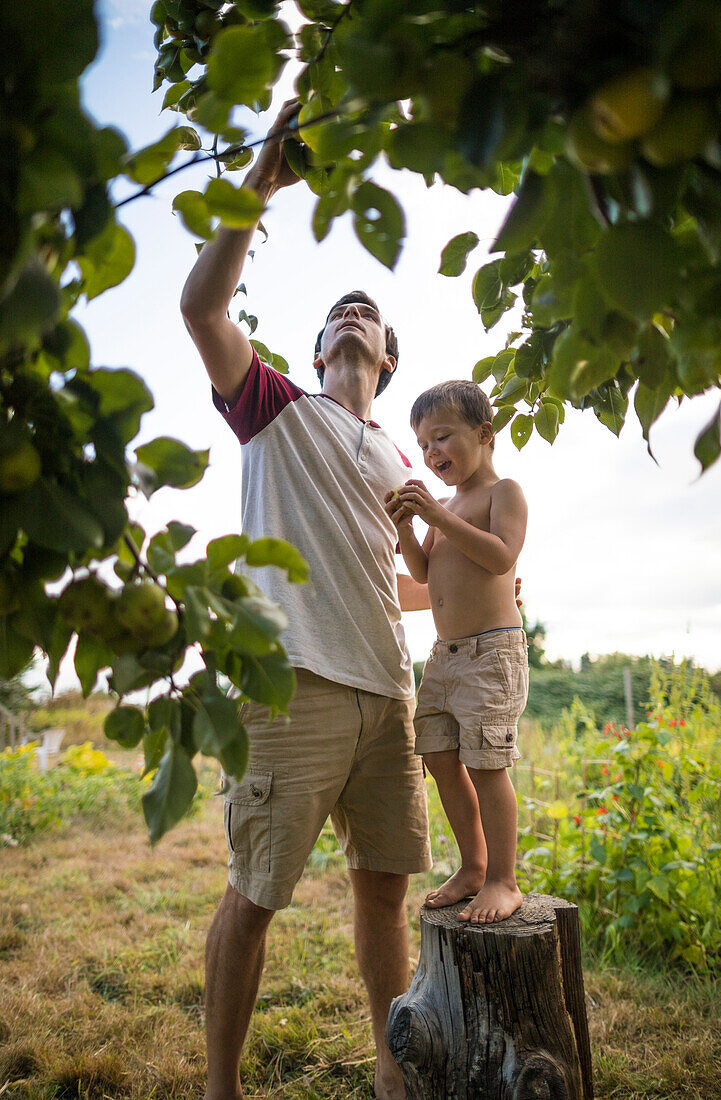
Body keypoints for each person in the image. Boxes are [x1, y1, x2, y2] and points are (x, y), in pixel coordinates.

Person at [180, 100, 432, 1100]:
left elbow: (385, 579)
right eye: (340, 310)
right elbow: (202, 308)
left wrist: (473, 586)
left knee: (385, 889)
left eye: (370, 313)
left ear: (390, 358)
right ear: (319, 343)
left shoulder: (399, 455)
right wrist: (261, 183)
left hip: (390, 694)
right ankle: (221, 1086)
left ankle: (389, 1062)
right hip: (294, 685)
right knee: (256, 892)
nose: (354, 312)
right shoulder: (276, 409)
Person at [385, 379, 529, 925]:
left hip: (492, 654)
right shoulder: (445, 504)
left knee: (487, 765)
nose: (430, 453)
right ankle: (473, 867)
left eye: (442, 437)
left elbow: (500, 558)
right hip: (444, 656)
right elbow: (423, 573)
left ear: (484, 433)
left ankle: (503, 879)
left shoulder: (502, 493)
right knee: (442, 758)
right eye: (422, 444)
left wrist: (438, 518)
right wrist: (406, 526)